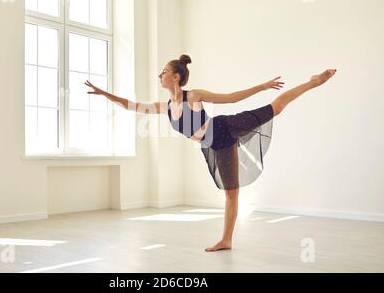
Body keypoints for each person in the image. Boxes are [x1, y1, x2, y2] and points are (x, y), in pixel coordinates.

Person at [85, 54, 337, 252]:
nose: (159, 74)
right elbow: (132, 106)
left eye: (163, 71)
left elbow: (231, 98)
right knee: (231, 193)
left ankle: (313, 81)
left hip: (225, 127)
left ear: (176, 76)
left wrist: (262, 86)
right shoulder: (165, 106)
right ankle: (226, 240)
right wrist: (104, 93)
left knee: (277, 108)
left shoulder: (193, 95)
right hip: (216, 145)